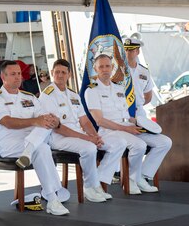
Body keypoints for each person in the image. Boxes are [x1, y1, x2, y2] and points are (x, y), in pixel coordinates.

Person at [0, 60, 70, 216]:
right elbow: (8, 123)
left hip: (31, 143)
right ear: (3, 76)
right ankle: (54, 194)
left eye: (19, 74)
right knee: (42, 147)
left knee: (44, 136)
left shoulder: (29, 97)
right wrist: (35, 121)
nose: (18, 77)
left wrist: (53, 120)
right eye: (13, 74)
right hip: (10, 145)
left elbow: (43, 117)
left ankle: (52, 199)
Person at [39, 59, 126, 202]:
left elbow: (84, 121)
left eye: (63, 72)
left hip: (78, 135)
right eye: (57, 72)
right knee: (89, 148)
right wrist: (88, 139)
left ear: (69, 75)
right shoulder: (47, 95)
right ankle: (89, 187)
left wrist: (96, 136)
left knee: (118, 143)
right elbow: (58, 127)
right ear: (52, 73)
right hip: (58, 138)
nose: (60, 75)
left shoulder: (73, 95)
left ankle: (97, 181)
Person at [84, 54, 158, 195]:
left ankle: (137, 178)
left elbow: (125, 115)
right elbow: (99, 120)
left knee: (159, 142)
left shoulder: (119, 88)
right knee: (139, 145)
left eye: (107, 66)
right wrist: (126, 129)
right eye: (101, 67)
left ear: (112, 67)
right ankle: (129, 180)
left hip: (125, 128)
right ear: (95, 69)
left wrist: (141, 124)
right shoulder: (91, 90)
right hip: (108, 131)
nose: (105, 69)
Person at [123, 38, 172, 189]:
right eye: (127, 49)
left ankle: (141, 176)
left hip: (139, 116)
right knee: (140, 145)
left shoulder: (144, 71)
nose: (129, 52)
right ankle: (131, 179)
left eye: (132, 50)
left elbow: (148, 95)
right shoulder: (118, 71)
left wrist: (137, 108)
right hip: (122, 117)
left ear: (137, 51)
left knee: (164, 142)